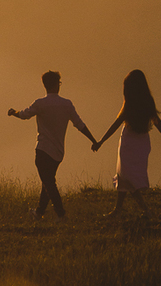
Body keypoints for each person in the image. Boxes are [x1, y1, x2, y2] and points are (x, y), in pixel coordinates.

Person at [7, 70, 97, 221]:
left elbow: (23, 115)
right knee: (48, 182)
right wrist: (93, 140)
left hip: (42, 150)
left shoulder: (40, 103)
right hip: (58, 152)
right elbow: (79, 124)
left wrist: (13, 112)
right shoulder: (67, 104)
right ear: (57, 85)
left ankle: (61, 214)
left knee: (48, 182)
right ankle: (39, 212)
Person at [92, 69, 161, 215]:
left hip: (130, 142)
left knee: (127, 177)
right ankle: (119, 208)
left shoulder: (131, 103)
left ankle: (143, 209)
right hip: (140, 142)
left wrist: (101, 141)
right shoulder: (146, 102)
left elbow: (116, 124)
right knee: (125, 176)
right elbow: (157, 122)